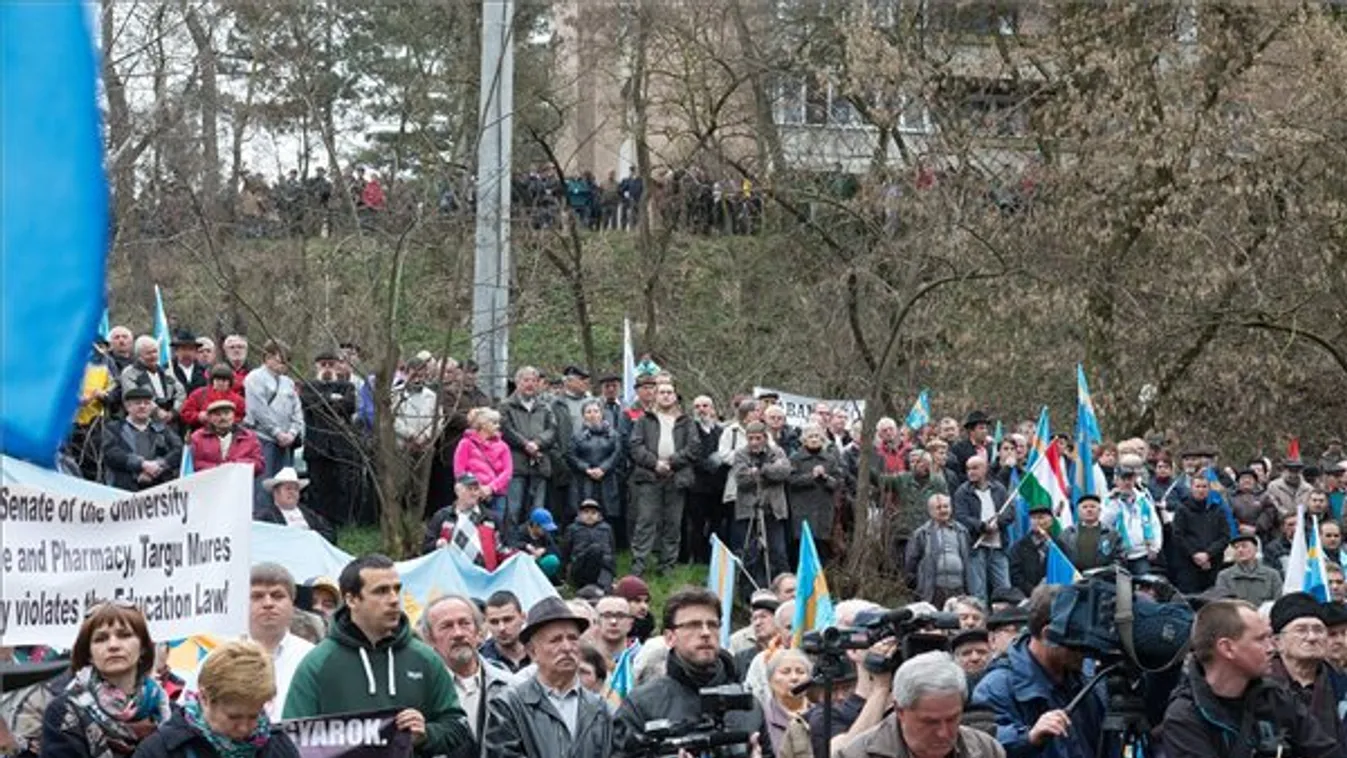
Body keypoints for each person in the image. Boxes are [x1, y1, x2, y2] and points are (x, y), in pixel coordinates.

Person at [282, 554, 471, 756]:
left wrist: (427, 734)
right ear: (351, 599)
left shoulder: (424, 658)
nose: (393, 599)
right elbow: (290, 743)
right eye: (381, 591)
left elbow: (457, 726)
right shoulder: (318, 663)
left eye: (396, 589)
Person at [1162, 599, 1340, 758]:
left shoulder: (1277, 698)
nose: (1271, 648)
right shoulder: (1186, 716)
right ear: (1227, 648)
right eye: (1261, 639)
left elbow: (1327, 752)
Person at [613, 587, 766, 758]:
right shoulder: (641, 705)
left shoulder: (747, 705)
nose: (706, 633)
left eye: (713, 624)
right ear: (670, 637)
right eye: (693, 625)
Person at [971, 584, 1105, 758]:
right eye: (1077, 641)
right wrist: (1028, 738)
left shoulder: (1087, 679)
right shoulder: (996, 687)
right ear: (1048, 634)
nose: (1085, 650)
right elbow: (982, 745)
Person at [484, 597, 613, 758]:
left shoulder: (601, 709)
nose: (567, 647)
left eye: (573, 638)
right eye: (555, 640)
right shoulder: (508, 705)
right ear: (532, 652)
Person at [130, 640, 300, 758]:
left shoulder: (278, 747)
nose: (244, 728)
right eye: (234, 717)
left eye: (254, 716)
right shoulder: (160, 751)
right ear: (204, 698)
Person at [42, 603, 171, 757]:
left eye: (124, 635)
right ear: (88, 653)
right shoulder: (63, 712)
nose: (113, 645)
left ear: (143, 646)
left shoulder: (167, 712)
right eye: (101, 638)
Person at [837, 652, 1003, 758]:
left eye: (952, 719)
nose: (943, 733)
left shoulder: (986, 750)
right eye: (930, 722)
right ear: (900, 711)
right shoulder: (856, 754)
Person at [418, 595, 519, 757]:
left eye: (465, 623)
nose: (458, 633)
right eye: (446, 626)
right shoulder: (421, 694)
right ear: (429, 638)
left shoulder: (512, 686)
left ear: (479, 632)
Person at [628, 380, 700, 576]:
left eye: (670, 392)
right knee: (645, 521)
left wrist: (672, 462)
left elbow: (693, 448)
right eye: (662, 392)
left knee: (673, 523)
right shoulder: (644, 420)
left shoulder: (687, 422)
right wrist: (655, 464)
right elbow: (635, 446)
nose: (666, 396)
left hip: (676, 477)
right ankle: (639, 565)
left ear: (675, 396)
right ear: (656, 396)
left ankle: (667, 566)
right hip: (649, 476)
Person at [1265, 593, 1347, 745]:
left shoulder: (1341, 685)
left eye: (1318, 630)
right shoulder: (1260, 688)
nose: (1312, 637)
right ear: (1277, 642)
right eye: (1301, 630)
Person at [246, 564, 315, 719]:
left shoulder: (311, 658)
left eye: (277, 596)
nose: (268, 603)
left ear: (292, 603)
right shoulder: (219, 656)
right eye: (257, 596)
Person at [298, 350, 358, 527]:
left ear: (338, 366)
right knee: (317, 485)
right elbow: (310, 404)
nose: (327, 368)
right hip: (317, 444)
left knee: (341, 484)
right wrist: (332, 399)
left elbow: (349, 405)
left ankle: (341, 521)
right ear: (317, 366)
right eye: (323, 364)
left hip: (340, 445)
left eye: (331, 364)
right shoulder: (308, 386)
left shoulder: (347, 386)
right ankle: (318, 520)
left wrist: (325, 401)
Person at [732, 422, 792, 588]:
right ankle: (749, 591)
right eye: (750, 438)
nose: (754, 442)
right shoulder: (740, 454)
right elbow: (741, 479)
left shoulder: (777, 452)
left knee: (778, 553)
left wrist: (762, 470)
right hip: (749, 511)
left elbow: (784, 472)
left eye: (758, 438)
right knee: (750, 555)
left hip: (774, 511)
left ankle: (782, 589)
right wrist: (767, 473)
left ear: (765, 438)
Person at [500, 366, 557, 525]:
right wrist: (526, 444)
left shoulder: (545, 406)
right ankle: (511, 544)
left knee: (537, 509)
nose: (530, 384)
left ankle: (534, 545)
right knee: (513, 507)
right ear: (517, 382)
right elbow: (506, 429)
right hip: (516, 464)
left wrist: (537, 443)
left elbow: (552, 430)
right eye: (526, 380)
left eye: (534, 380)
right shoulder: (506, 406)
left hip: (539, 463)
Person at [953, 455, 1012, 605]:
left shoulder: (999, 489)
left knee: (1004, 588)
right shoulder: (962, 492)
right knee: (978, 592)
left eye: (975, 468)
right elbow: (961, 517)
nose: (970, 472)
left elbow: (1010, 512)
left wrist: (998, 523)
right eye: (968, 469)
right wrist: (982, 526)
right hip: (975, 547)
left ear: (985, 469)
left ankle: (1004, 623)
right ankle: (980, 623)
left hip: (998, 546)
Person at [243, 340, 304, 479]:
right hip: (261, 439)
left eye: (287, 359)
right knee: (262, 486)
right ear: (268, 357)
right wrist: (277, 433)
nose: (284, 362)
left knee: (283, 484)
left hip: (286, 442)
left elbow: (297, 410)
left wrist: (292, 433)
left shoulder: (288, 382)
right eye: (281, 358)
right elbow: (258, 410)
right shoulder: (254, 378)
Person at [101, 386, 183, 491]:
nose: (142, 406)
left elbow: (178, 449)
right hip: (124, 490)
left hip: (160, 489)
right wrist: (141, 465)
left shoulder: (162, 428)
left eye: (147, 403)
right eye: (138, 403)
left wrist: (158, 465)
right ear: (127, 406)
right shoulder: (113, 428)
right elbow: (111, 453)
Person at [424, 475, 506, 568]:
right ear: (457, 491)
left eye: (476, 489)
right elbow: (426, 548)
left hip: (483, 577)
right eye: (469, 489)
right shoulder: (442, 516)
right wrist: (438, 544)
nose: (474, 493)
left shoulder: (492, 518)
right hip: (451, 575)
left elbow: (502, 550)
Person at [905, 494, 973, 606]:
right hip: (933, 591)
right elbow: (910, 565)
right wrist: (918, 586)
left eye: (946, 506)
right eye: (938, 507)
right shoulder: (921, 533)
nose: (943, 510)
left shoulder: (962, 531)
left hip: (959, 588)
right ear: (930, 511)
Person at [788, 425, 842, 561]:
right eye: (810, 437)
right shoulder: (796, 459)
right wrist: (811, 476)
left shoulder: (830, 459)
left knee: (822, 550)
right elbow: (791, 480)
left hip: (823, 512)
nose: (814, 440)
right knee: (802, 549)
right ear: (804, 440)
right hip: (802, 511)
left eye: (817, 436)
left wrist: (825, 477)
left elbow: (838, 482)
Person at [1101, 462, 1164, 575]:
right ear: (1116, 480)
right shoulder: (1108, 500)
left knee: (1144, 585)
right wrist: (1114, 502)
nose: (1127, 482)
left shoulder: (1143, 500)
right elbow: (1103, 523)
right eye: (1123, 478)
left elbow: (1155, 524)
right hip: (1118, 555)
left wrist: (1155, 547)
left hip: (1141, 554)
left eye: (1130, 478)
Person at [1172, 475, 1232, 593]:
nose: (1201, 490)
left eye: (1204, 487)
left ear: (1209, 489)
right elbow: (1178, 535)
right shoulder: (1182, 510)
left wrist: (1208, 554)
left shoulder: (1217, 510)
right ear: (1191, 488)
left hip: (1213, 563)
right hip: (1188, 564)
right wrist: (1195, 554)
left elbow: (1224, 536)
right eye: (1197, 486)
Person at [566, 399, 622, 524]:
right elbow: (570, 455)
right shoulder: (577, 436)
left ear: (601, 413)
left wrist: (603, 468)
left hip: (607, 479)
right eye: (588, 412)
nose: (593, 415)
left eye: (596, 411)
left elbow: (617, 453)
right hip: (584, 480)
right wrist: (586, 468)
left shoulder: (613, 435)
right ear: (583, 415)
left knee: (608, 515)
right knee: (585, 512)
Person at [453, 408, 513, 524]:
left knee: (496, 529)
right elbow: (459, 471)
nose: (498, 426)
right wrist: (476, 488)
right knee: (472, 527)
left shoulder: (503, 446)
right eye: (494, 423)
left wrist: (491, 487)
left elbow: (508, 471)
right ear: (483, 425)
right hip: (472, 495)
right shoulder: (465, 443)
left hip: (498, 495)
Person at [254, 468, 336, 544]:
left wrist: (310, 538)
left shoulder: (309, 513)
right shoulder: (265, 516)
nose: (292, 492)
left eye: (296, 489)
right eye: (288, 489)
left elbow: (329, 533)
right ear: (276, 492)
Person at [119, 335, 186, 425]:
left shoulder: (166, 372)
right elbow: (133, 396)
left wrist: (173, 412)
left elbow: (181, 392)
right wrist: (157, 411)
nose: (153, 356)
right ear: (139, 355)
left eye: (155, 352)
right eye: (148, 353)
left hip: (170, 421)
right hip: (142, 423)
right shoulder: (129, 373)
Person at [190, 398, 264, 477]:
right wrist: (219, 469)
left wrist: (234, 465)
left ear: (233, 415)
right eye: (217, 414)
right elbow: (192, 464)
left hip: (239, 483)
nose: (223, 418)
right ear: (210, 418)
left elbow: (259, 465)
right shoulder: (197, 437)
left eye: (226, 413)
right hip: (207, 483)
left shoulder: (249, 437)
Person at [762, 649, 813, 754]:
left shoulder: (821, 714)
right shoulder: (762, 718)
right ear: (770, 680)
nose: (794, 678)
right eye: (786, 672)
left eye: (800, 672)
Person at [561, 499, 616, 590]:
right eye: (586, 512)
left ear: (599, 515)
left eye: (593, 513)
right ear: (579, 514)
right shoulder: (572, 529)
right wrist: (564, 575)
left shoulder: (606, 528)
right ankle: (587, 587)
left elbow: (612, 551)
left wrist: (613, 573)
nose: (590, 516)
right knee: (595, 549)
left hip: (603, 566)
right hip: (581, 566)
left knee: (604, 590)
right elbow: (565, 553)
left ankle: (600, 588)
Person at [1056, 495, 1121, 572]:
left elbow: (1120, 559)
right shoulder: (1067, 534)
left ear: (1100, 511)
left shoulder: (1112, 534)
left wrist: (1106, 571)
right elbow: (1060, 559)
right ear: (1078, 512)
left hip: (1104, 579)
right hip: (1075, 579)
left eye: (1093, 507)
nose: (1089, 510)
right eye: (1085, 507)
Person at [1213, 533, 1282, 606]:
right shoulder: (1224, 576)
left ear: (1255, 549)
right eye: (1236, 547)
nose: (1240, 550)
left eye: (1244, 546)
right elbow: (1222, 605)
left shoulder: (1272, 575)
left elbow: (1278, 603)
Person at [1008, 504, 1059, 596]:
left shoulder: (1058, 545)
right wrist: (1033, 591)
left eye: (1041, 518)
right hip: (1026, 596)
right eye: (1033, 518)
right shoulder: (1020, 546)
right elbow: (1015, 574)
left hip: (1054, 594)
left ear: (1051, 521)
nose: (1037, 521)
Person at [180, 365, 247, 432]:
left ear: (229, 382)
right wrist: (198, 416)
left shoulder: (238, 400)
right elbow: (185, 412)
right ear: (212, 380)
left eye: (224, 380)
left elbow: (243, 418)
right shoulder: (199, 394)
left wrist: (227, 420)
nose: (220, 383)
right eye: (217, 380)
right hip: (202, 434)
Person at [481, 592, 531, 673]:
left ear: (523, 618)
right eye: (494, 622)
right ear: (486, 623)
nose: (501, 628)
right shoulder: (481, 661)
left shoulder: (541, 651)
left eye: (508, 620)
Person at [511, 509, 562, 579]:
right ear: (535, 525)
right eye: (543, 528)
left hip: (537, 567)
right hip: (521, 567)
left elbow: (556, 551)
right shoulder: (521, 531)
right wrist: (525, 546)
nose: (546, 531)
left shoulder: (545, 535)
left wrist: (544, 550)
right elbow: (511, 544)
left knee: (553, 560)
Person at [593, 596, 634, 663]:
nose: (613, 622)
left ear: (630, 623)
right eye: (607, 616)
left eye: (620, 616)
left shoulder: (641, 658)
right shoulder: (584, 658)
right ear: (596, 622)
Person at [613, 576, 655, 642]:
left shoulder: (650, 639)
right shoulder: (608, 634)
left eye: (646, 601)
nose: (644, 607)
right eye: (637, 601)